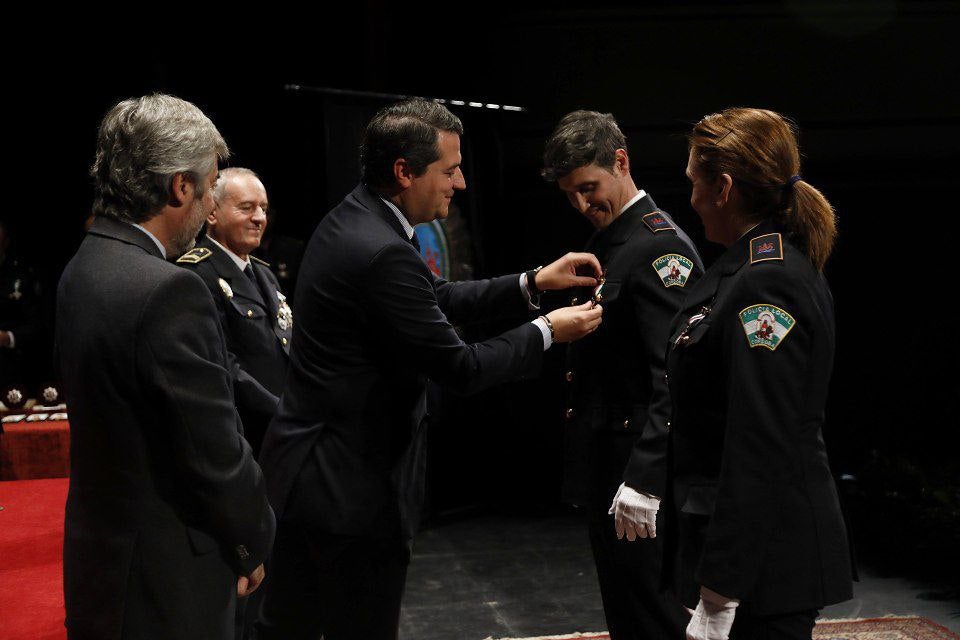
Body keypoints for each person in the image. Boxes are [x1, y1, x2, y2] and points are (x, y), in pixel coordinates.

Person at [257, 98, 604, 640]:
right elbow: (461, 367)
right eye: (449, 169)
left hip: (318, 474)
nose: (460, 183)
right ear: (404, 172)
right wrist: (547, 331)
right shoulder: (379, 248)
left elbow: (434, 296)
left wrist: (532, 283)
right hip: (347, 490)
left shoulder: (359, 216)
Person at [624, 107, 853, 640]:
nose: (692, 198)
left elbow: (759, 442)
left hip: (766, 562)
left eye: (694, 183)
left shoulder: (766, 283)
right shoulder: (744, 268)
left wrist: (721, 590)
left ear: (723, 187)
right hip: (750, 549)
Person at [56, 94, 275, 640]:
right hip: (170, 577)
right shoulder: (169, 288)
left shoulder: (84, 265)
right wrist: (253, 542)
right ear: (180, 186)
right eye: (207, 188)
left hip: (103, 563)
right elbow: (213, 451)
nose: (207, 206)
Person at [542, 110, 702, 640]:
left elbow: (676, 374)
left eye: (588, 188)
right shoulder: (616, 239)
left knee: (654, 617)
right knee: (628, 614)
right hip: (611, 463)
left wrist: (646, 479)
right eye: (569, 194)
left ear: (621, 161)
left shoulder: (659, 247)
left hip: (639, 470)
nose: (581, 205)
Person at [177, 167, 291, 458]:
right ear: (212, 213)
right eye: (246, 208)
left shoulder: (266, 275)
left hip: (282, 434)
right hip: (241, 437)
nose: (259, 218)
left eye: (263, 208)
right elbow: (223, 366)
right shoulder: (195, 275)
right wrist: (283, 411)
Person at [0, 218, 42, 393]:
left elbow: (37, 325)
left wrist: (7, 337)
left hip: (14, 369)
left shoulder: (21, 275)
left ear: (5, 243)